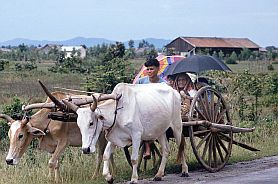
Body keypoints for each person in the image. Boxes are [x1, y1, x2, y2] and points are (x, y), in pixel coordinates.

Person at [136, 58, 166, 159]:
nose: (149, 71)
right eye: (147, 69)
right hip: (142, 110)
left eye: (151, 69)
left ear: (158, 69)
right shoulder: (140, 82)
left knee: (147, 123)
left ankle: (147, 148)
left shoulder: (163, 84)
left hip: (159, 111)